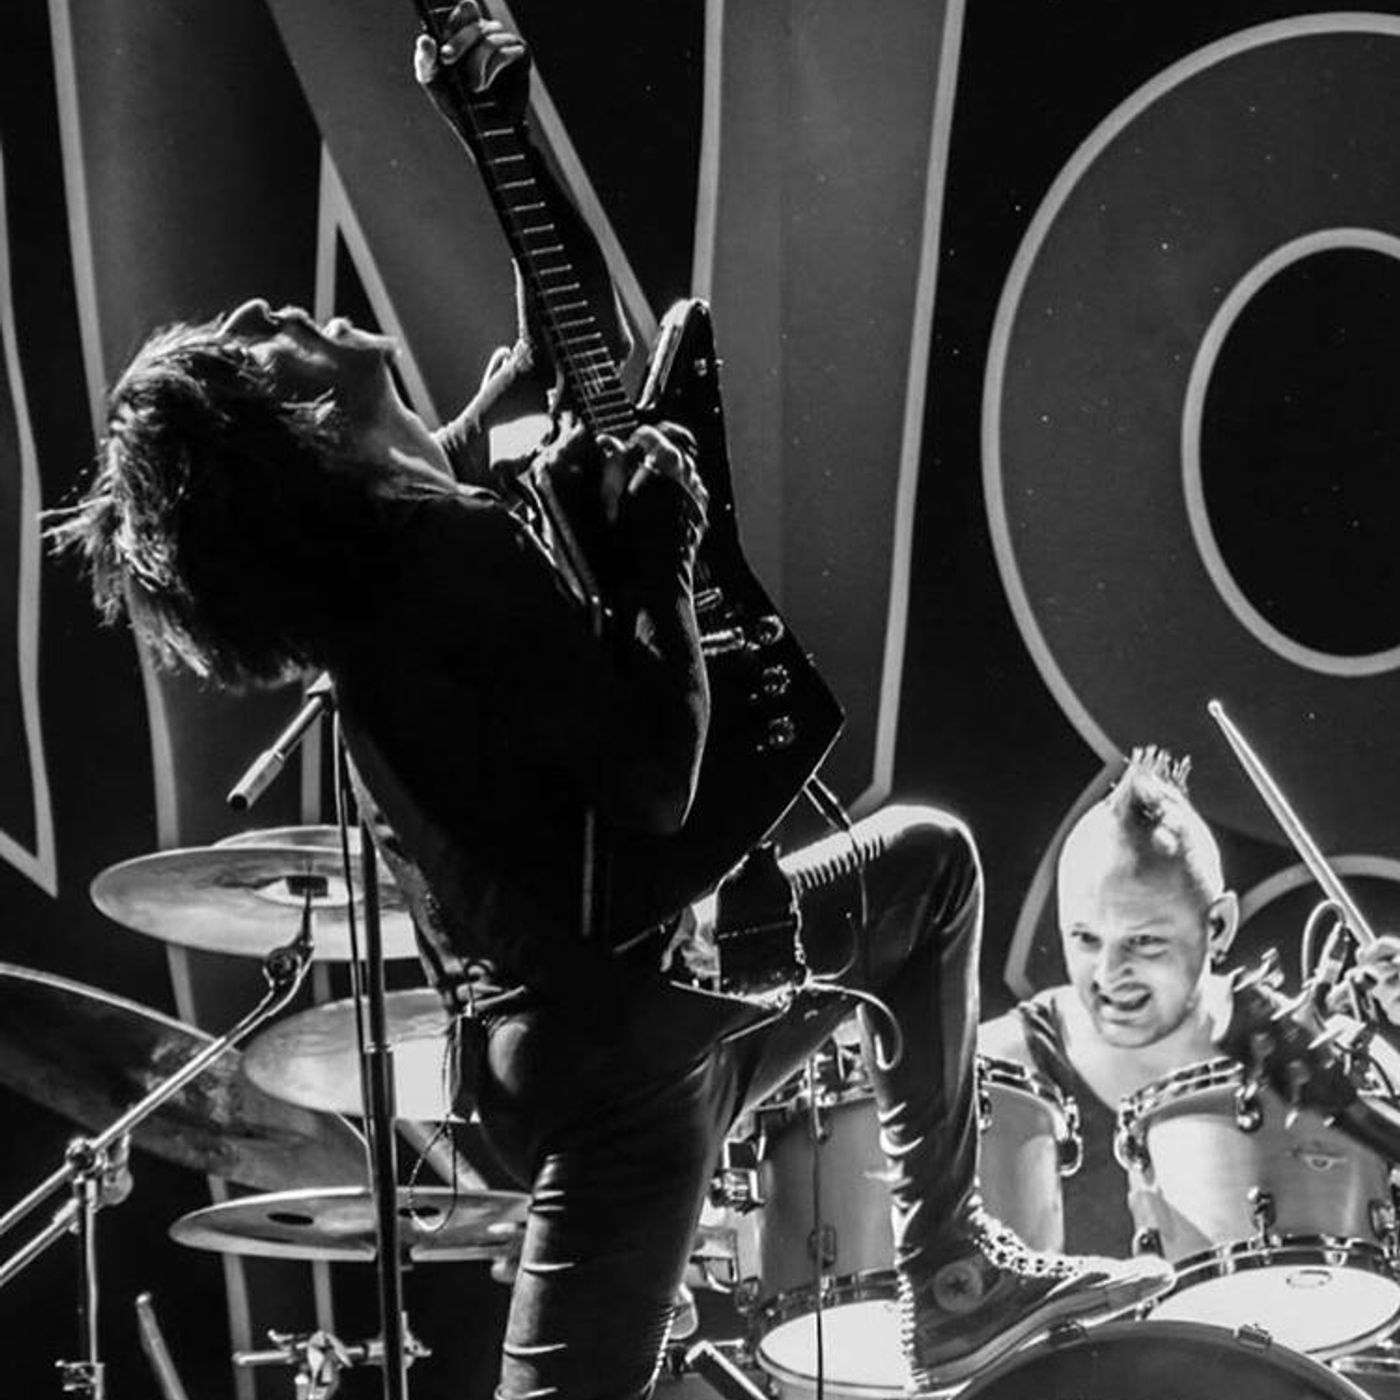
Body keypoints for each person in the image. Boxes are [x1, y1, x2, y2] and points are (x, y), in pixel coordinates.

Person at [49, 7, 1169, 1396]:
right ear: (296, 442)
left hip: (618, 1022)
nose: (271, 313)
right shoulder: (435, 555)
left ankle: (952, 1284)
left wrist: (498, 134)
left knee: (922, 873)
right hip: (622, 1060)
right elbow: (652, 775)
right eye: (250, 351)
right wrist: (654, 564)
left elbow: (572, 364)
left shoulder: (405, 549)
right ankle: (944, 1276)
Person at [980, 746, 1400, 1257]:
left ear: (1217, 925)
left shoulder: (1303, 1052)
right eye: (1086, 939)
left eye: (1144, 941)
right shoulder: (1004, 1065)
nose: (1109, 974)